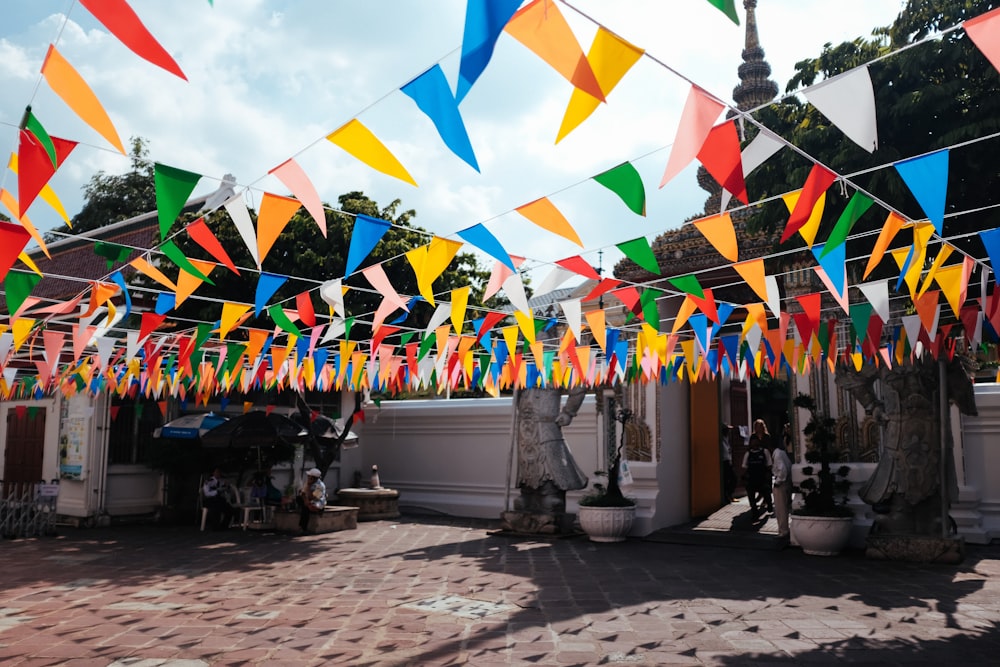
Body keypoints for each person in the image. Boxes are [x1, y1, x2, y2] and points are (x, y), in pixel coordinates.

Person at [742, 419, 773, 520]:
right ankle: (755, 509)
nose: (758, 428)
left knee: (766, 487)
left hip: (763, 460)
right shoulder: (753, 436)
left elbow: (769, 448)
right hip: (753, 465)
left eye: (760, 426)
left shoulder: (767, 437)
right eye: (757, 426)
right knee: (751, 489)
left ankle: (767, 502)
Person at [770, 435, 793, 540]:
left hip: (781, 483)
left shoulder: (777, 454)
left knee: (781, 509)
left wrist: (778, 481)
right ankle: (785, 529)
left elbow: (782, 469)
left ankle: (783, 531)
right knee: (785, 507)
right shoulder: (783, 453)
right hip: (787, 482)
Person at [299, 467, 327, 533]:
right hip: (309, 502)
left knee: (305, 508)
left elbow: (313, 497)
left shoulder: (320, 486)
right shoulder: (308, 483)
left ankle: (303, 528)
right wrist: (305, 499)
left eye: (309, 476)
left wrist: (306, 498)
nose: (308, 477)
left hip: (318, 503)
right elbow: (302, 493)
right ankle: (302, 527)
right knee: (300, 500)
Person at [720, 423, 737, 503]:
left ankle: (729, 494)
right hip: (724, 462)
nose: (728, 432)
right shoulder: (721, 439)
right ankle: (726, 496)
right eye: (727, 430)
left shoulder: (726, 439)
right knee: (726, 480)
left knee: (733, 478)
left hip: (728, 460)